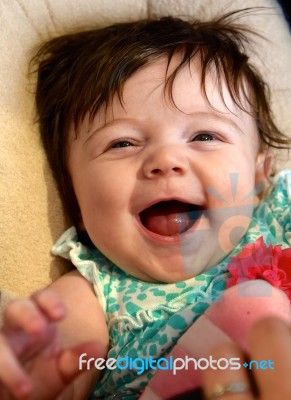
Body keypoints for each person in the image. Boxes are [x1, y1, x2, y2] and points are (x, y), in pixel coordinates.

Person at [0, 9, 291, 400]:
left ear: (259, 178)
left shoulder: (280, 213)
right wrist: (33, 363)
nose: (165, 160)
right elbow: (65, 348)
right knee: (255, 306)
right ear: (76, 202)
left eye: (205, 135)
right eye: (122, 143)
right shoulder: (96, 288)